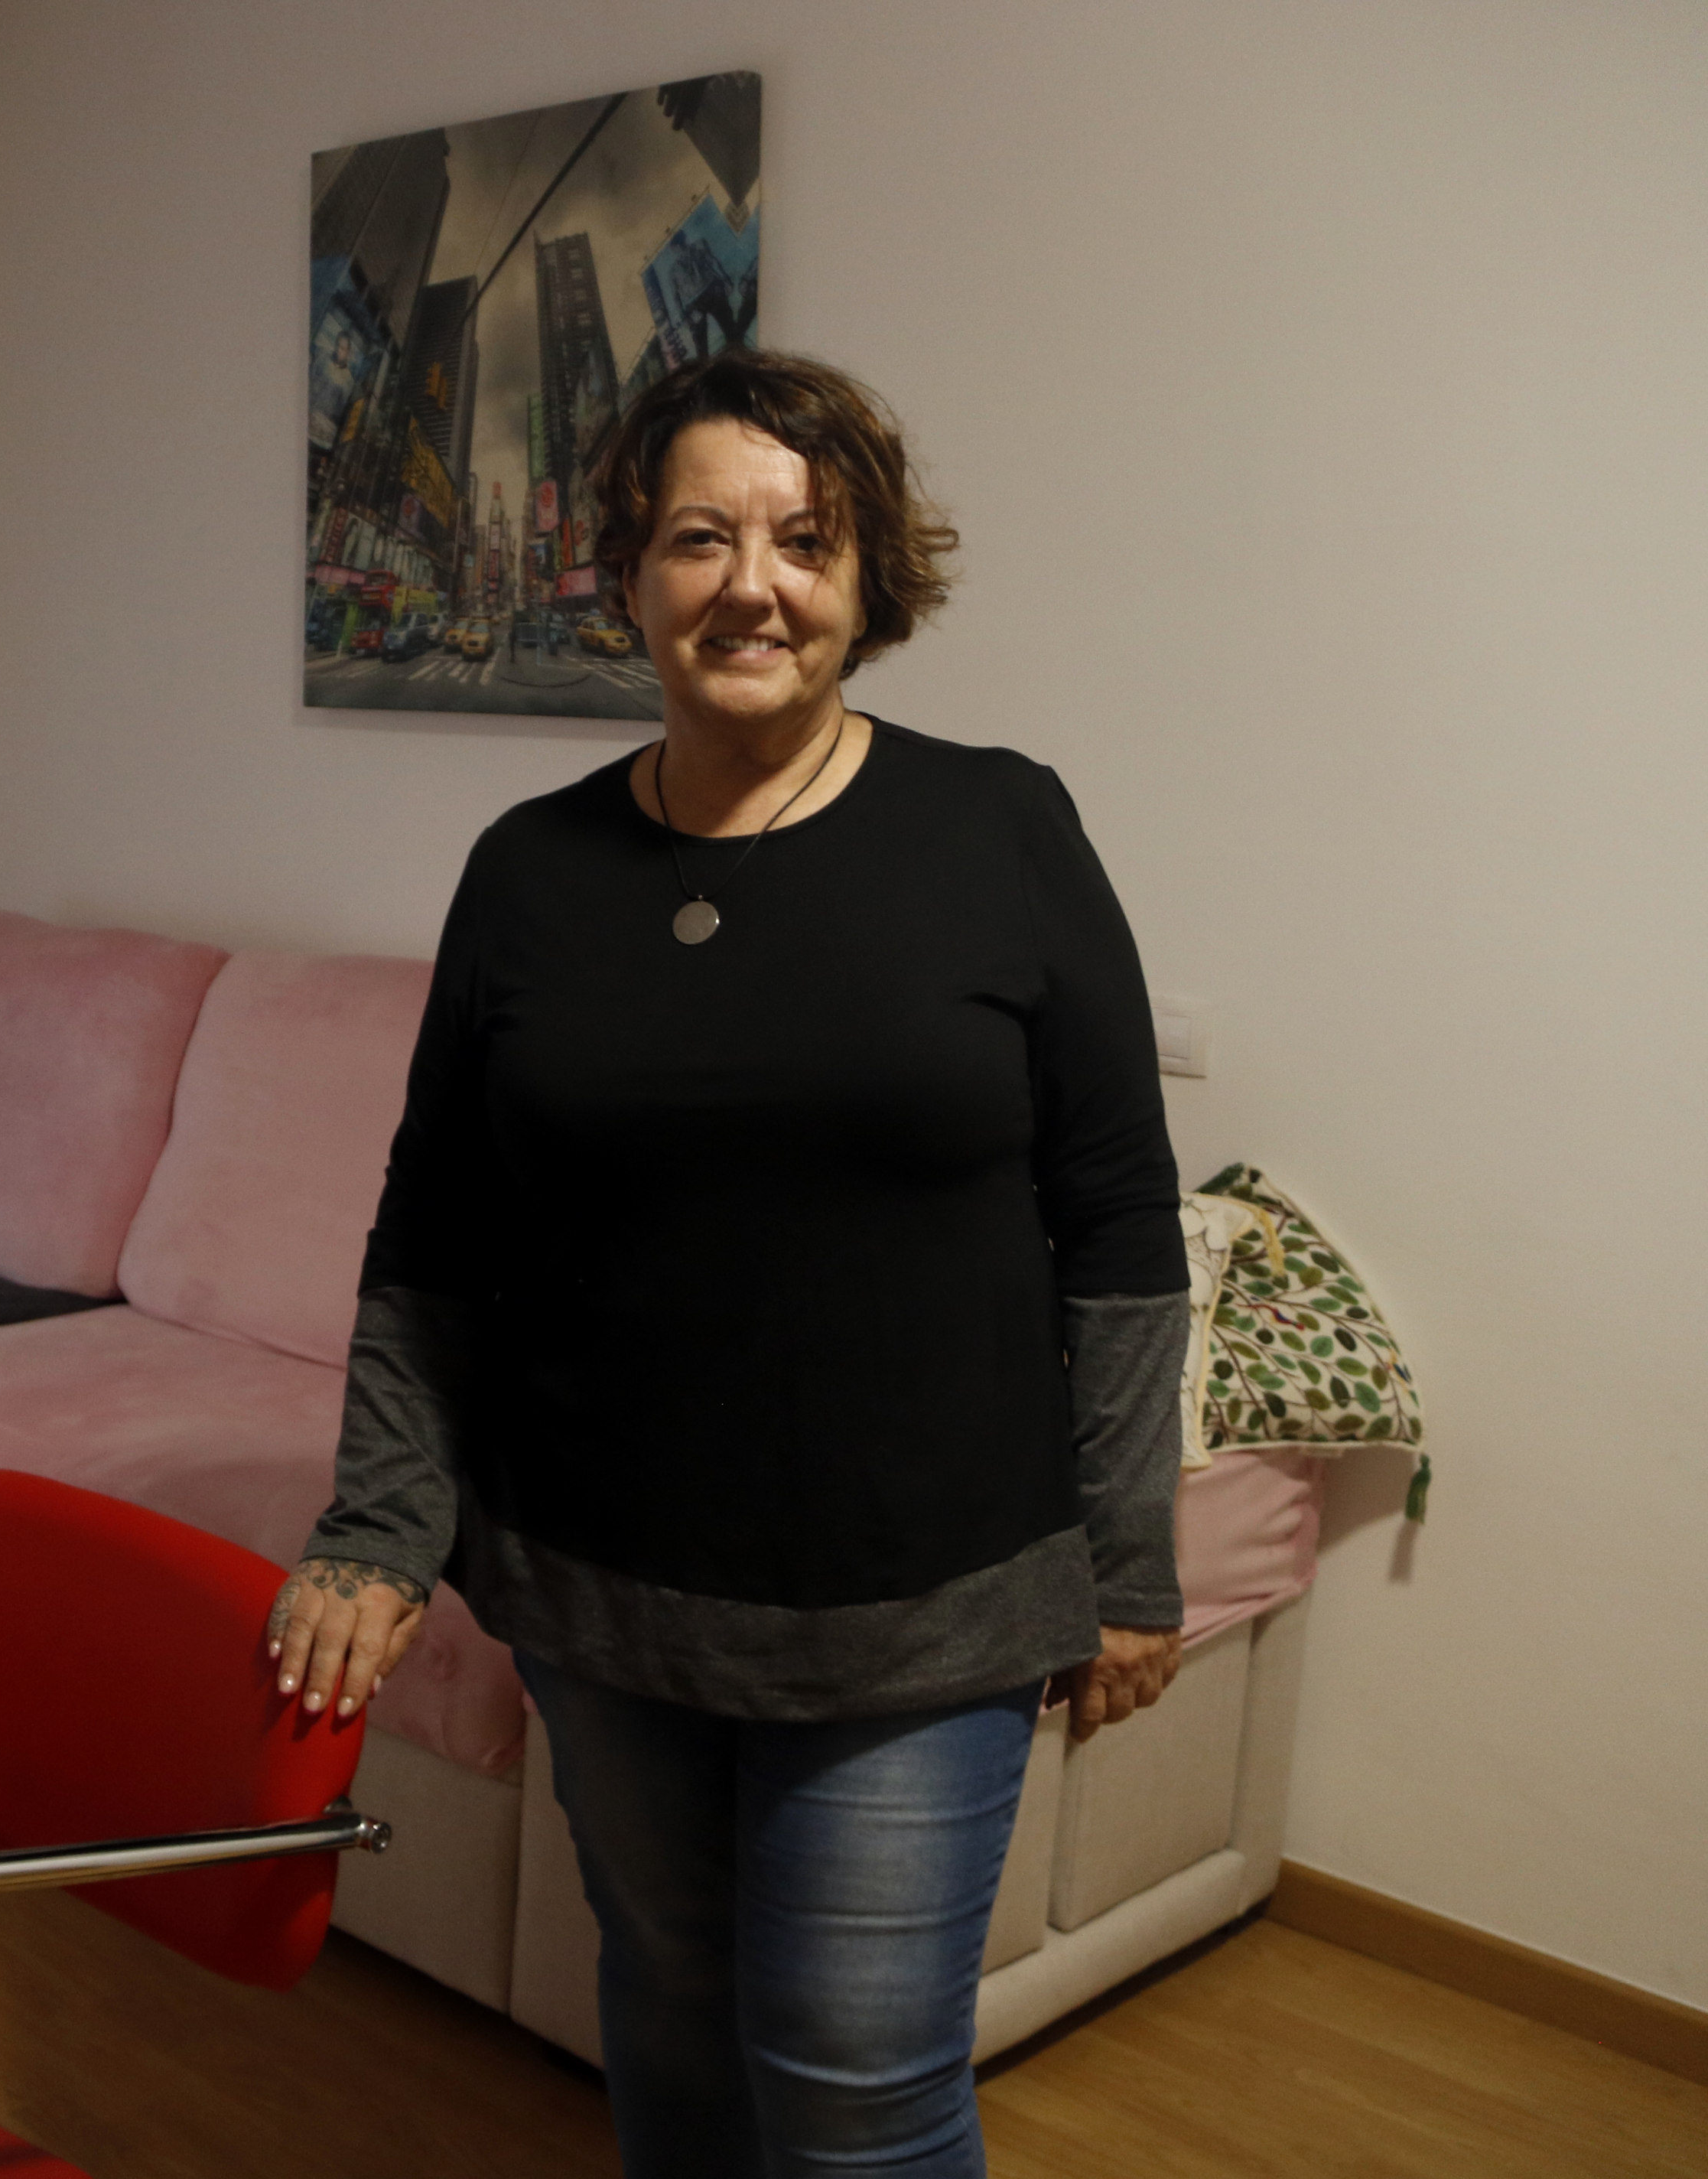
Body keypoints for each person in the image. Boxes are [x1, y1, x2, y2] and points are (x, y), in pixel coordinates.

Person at [268, 347, 1189, 2178]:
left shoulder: (1000, 825)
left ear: (866, 587)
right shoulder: (530, 868)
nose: (751, 583)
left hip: (923, 1602)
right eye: (700, 536)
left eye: (805, 540)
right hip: (607, 1597)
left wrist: (1133, 1557)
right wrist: (381, 1519)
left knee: (858, 2091)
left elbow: (1120, 1219)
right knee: (673, 2032)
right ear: (626, 573)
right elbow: (437, 1224)